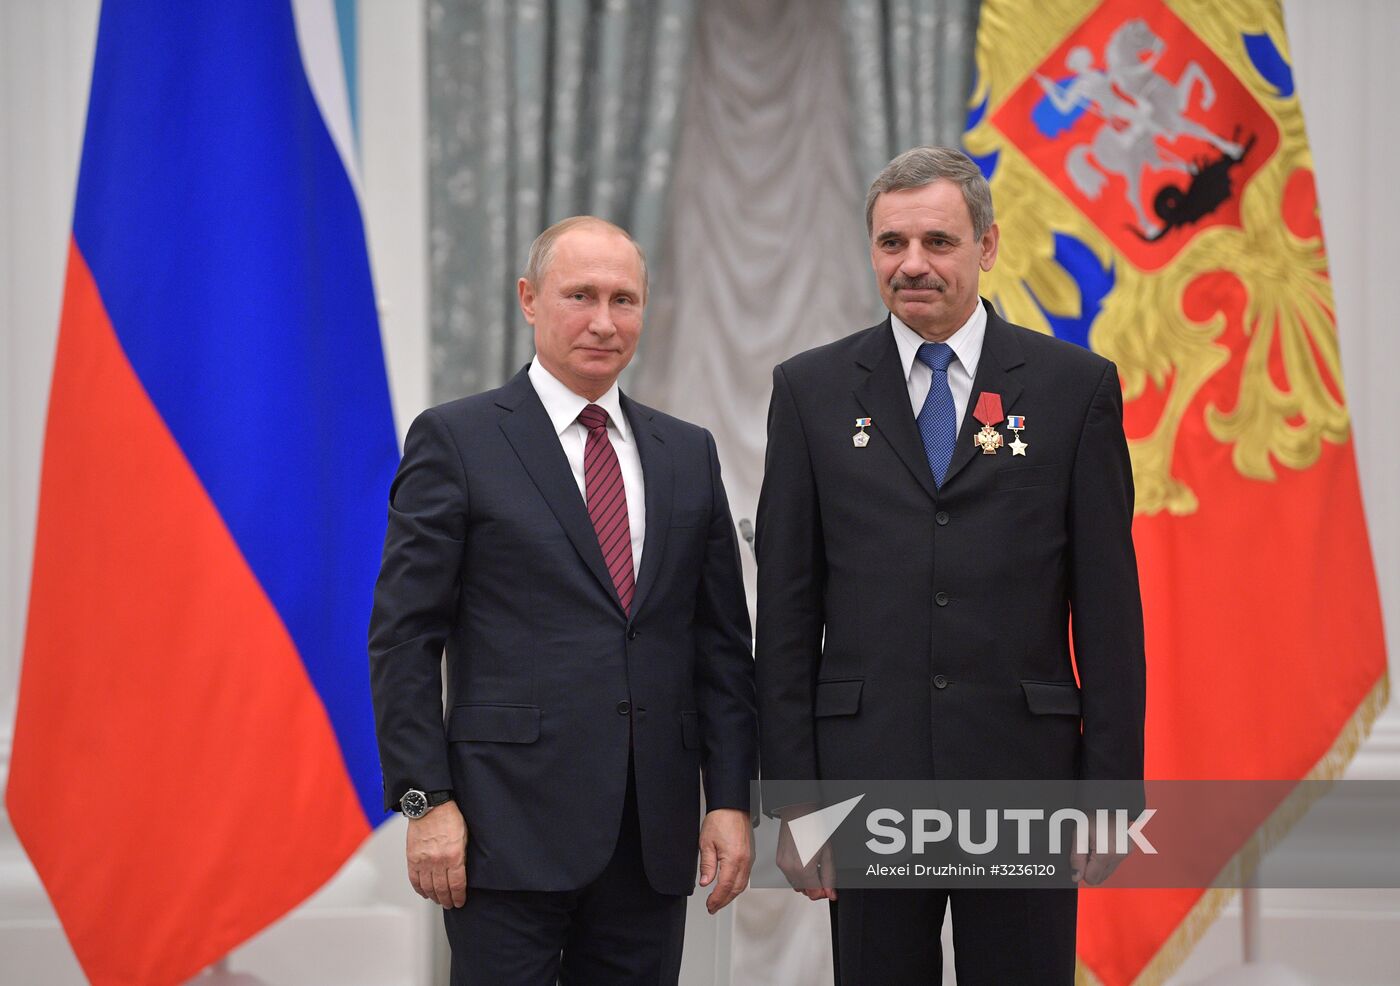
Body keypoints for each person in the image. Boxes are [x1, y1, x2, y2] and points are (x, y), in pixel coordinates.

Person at [754, 146, 1146, 984]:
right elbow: (787, 613)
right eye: (892, 243)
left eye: (938, 241)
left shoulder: (1074, 387)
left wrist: (1110, 791)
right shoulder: (812, 391)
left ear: (988, 246)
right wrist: (791, 797)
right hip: (865, 777)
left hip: (1024, 777)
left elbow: (1110, 610)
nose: (913, 265)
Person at [369, 216, 757, 985]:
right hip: (500, 833)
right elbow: (404, 637)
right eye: (579, 295)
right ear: (529, 300)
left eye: (624, 299)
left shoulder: (688, 451)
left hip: (651, 838)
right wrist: (425, 802)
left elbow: (718, 643)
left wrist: (730, 798)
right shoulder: (457, 440)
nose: (604, 321)